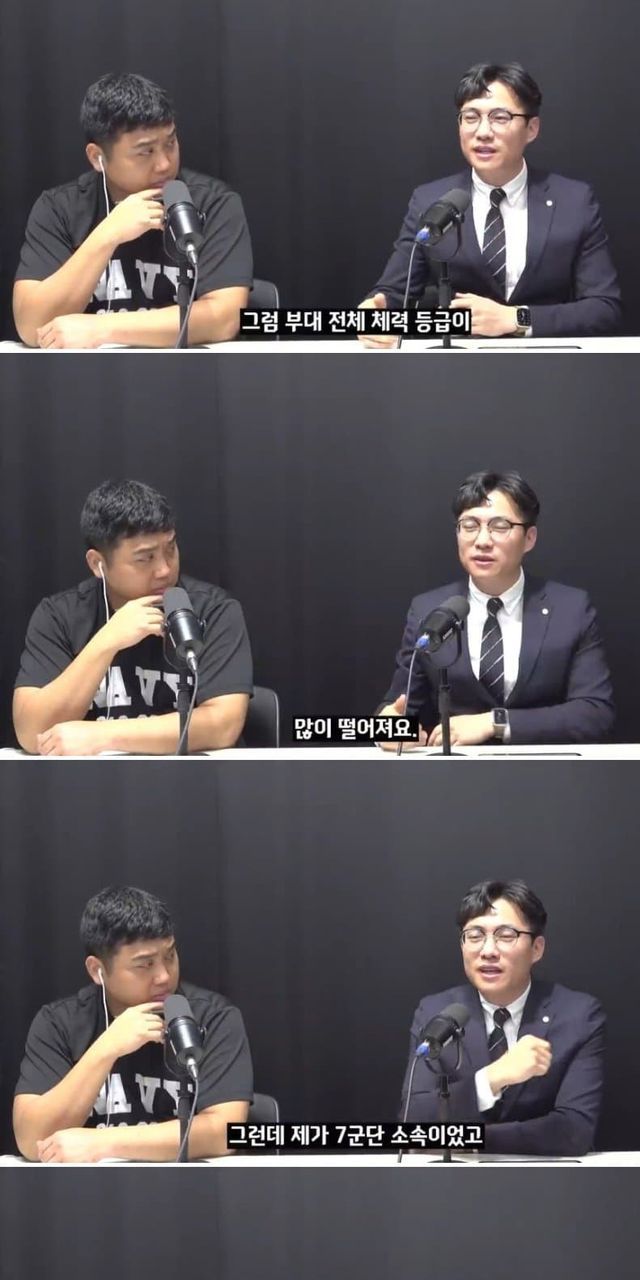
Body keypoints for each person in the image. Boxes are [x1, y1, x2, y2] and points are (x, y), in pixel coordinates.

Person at [359, 63, 621, 345]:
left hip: (549, 362)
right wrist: (373, 314)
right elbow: (392, 295)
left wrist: (517, 319)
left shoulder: (573, 201)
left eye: (500, 118)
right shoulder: (430, 200)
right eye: (471, 117)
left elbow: (604, 308)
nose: (483, 132)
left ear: (531, 128)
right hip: (457, 364)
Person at [13, 886, 253, 1163]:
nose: (164, 976)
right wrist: (107, 1049)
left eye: (170, 956)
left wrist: (103, 1143)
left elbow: (226, 1133)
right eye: (144, 965)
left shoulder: (212, 1016)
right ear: (97, 971)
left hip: (185, 1185)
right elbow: (31, 1140)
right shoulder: (59, 1023)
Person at [13, 478, 253, 754]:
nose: (165, 569)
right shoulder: (60, 616)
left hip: (191, 777)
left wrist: (102, 736)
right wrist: (107, 642)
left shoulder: (213, 609)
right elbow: (32, 732)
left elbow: (222, 725)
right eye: (145, 558)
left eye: (170, 549)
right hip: (89, 780)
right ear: (98, 564)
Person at [13, 73, 253, 348]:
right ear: (98, 158)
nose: (165, 164)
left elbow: (224, 318)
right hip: (86, 371)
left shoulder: (212, 202)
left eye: (170, 143)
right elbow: (32, 326)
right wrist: (108, 235)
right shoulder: (60, 208)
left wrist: (102, 329)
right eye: (145, 152)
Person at [379, 471, 614, 745]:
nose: (482, 541)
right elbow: (397, 708)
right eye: (469, 525)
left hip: (545, 767)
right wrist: (387, 730)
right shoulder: (429, 610)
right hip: (454, 769)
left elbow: (595, 713)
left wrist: (495, 722)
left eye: (499, 526)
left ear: (529, 538)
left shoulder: (571, 609)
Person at [401, 880, 605, 1156]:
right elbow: (413, 1123)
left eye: (506, 935)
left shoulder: (578, 1015)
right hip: (452, 1179)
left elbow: (573, 1131)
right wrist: (492, 1078)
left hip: (548, 1180)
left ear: (537, 948)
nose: (488, 951)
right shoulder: (436, 1012)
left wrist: (464, 1140)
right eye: (475, 935)